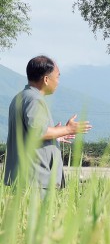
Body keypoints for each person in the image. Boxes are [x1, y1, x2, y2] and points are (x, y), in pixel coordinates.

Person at [3, 56, 92, 193]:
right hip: (35, 180)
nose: (58, 82)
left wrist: (56, 135)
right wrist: (68, 129)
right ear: (46, 79)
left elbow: (29, 134)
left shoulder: (21, 97)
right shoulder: (34, 99)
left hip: (25, 178)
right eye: (57, 77)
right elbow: (39, 132)